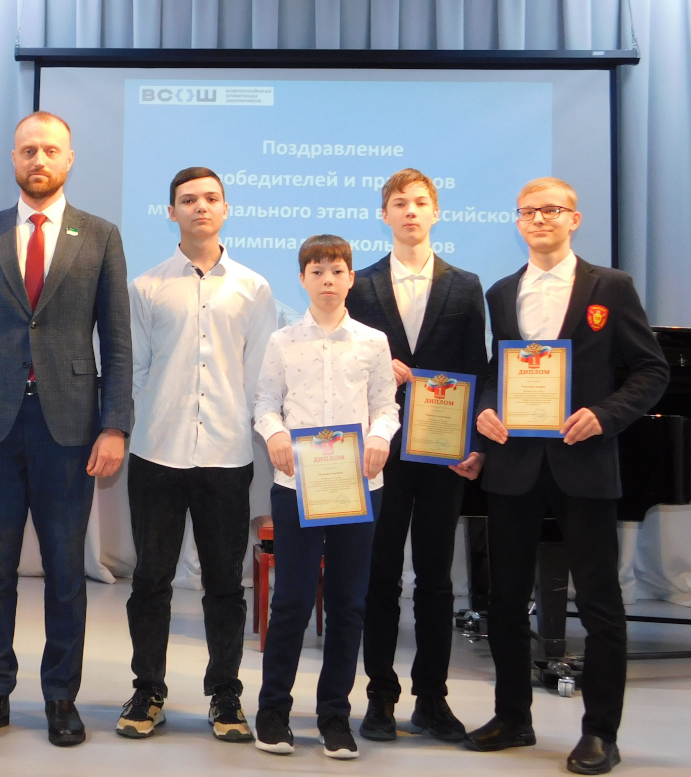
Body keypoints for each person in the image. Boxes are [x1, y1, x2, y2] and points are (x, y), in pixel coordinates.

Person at [0, 111, 132, 747]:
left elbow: (118, 342)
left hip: (70, 429)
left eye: (50, 150)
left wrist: (115, 425)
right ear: (14, 159)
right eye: (28, 150)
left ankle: (60, 697)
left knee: (65, 571)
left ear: (69, 159)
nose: (39, 160)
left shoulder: (100, 236)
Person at [464, 178, 668, 775]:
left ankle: (601, 733)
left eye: (551, 210)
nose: (539, 219)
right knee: (505, 601)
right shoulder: (503, 292)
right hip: (514, 466)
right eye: (528, 212)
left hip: (584, 461)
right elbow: (494, 372)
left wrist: (604, 415)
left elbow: (650, 371)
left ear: (573, 219)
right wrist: (485, 409)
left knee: (600, 604)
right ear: (517, 221)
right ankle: (512, 717)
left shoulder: (611, 287)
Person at [117, 167, 276, 743]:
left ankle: (225, 693)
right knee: (150, 580)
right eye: (188, 200)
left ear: (225, 208)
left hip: (227, 456)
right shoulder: (146, 287)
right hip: (157, 453)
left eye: (211, 198)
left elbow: (260, 376)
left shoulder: (254, 288)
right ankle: (148, 690)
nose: (200, 207)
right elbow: (134, 371)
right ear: (171, 212)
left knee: (225, 585)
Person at [345, 169, 487, 743]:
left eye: (420, 202)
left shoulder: (466, 285)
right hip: (378, 452)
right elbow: (344, 364)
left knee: (435, 578)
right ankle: (380, 697)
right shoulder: (360, 284)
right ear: (384, 214)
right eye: (399, 203)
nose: (410, 211)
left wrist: (473, 444)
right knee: (379, 576)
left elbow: (477, 369)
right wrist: (381, 367)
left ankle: (433, 698)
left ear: (435, 212)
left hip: (441, 453)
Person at [253, 234, 399, 760]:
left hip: (358, 488)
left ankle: (335, 714)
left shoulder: (373, 342)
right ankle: (273, 710)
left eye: (337, 271)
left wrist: (380, 438)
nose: (328, 281)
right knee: (291, 600)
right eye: (317, 272)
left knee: (347, 604)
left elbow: (386, 406)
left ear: (351, 278)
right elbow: (266, 402)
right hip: (297, 488)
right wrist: (274, 434)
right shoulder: (282, 340)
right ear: (302, 280)